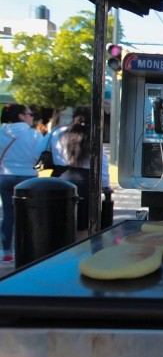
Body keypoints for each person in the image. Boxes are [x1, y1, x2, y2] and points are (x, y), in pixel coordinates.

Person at [52, 107, 110, 240]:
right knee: (84, 224)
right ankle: (83, 248)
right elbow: (102, 162)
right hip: (87, 181)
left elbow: (57, 157)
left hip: (66, 177)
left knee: (67, 221)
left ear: (73, 118)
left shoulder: (62, 135)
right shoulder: (94, 136)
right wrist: (104, 184)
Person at [0, 104, 44, 263]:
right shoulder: (34, 134)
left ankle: (6, 252)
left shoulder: (1, 132)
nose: (32, 117)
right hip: (28, 178)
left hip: (5, 176)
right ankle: (27, 249)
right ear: (21, 116)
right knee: (28, 215)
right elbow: (39, 155)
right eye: (30, 114)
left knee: (8, 214)